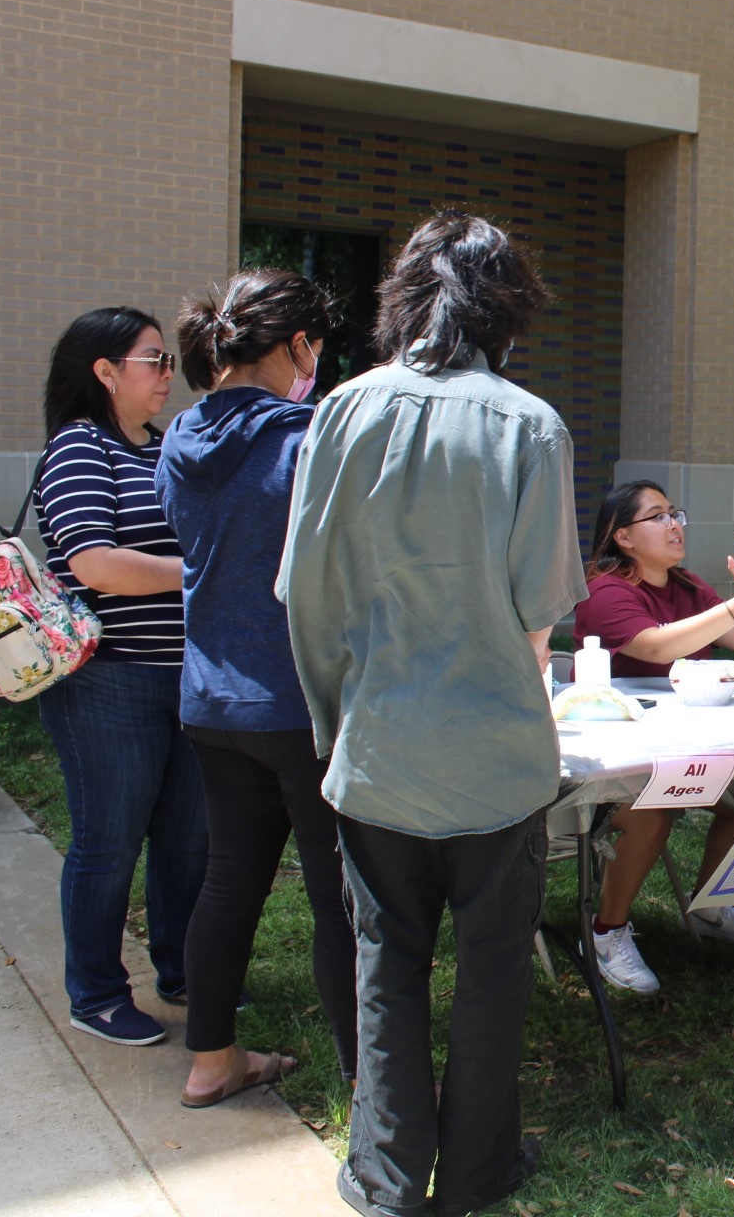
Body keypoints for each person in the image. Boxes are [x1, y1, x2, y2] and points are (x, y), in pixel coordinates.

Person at [278, 211, 587, 1217]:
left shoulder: (338, 411)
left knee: (386, 962)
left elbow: (307, 599)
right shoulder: (532, 424)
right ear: (509, 304)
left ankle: (387, 1175)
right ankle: (478, 1169)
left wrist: (340, 727)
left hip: (379, 748)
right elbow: (539, 619)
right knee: (495, 969)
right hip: (499, 756)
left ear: (404, 296)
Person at [156, 269, 355, 1108]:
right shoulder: (308, 438)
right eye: (318, 346)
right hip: (301, 703)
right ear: (296, 346)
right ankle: (369, 1081)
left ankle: (211, 1060)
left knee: (230, 878)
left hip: (210, 700)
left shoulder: (179, 436)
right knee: (340, 897)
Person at [34, 308, 207, 1047]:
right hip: (108, 681)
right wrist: (203, 573)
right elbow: (94, 563)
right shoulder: (78, 448)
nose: (168, 373)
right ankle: (97, 991)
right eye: (154, 359)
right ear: (105, 372)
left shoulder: (167, 450)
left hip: (188, 679)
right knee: (109, 840)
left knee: (186, 839)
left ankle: (181, 967)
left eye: (169, 361)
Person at [573, 480, 734, 993]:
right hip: (616, 759)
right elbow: (653, 646)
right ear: (623, 536)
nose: (674, 525)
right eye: (658, 516)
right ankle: (605, 932)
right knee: (653, 815)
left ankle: (710, 909)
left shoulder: (687, 586)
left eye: (675, 513)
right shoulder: (604, 590)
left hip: (690, 746)